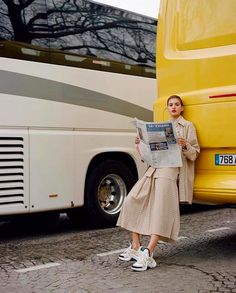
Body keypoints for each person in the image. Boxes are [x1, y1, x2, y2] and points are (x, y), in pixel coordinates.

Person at [117, 95, 200, 272]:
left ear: (182, 108)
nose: (174, 107)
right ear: (167, 108)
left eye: (177, 104)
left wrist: (185, 145)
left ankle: (149, 253)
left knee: (161, 211)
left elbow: (194, 154)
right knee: (132, 200)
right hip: (154, 168)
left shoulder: (188, 126)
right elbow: (147, 155)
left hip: (170, 171)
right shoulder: (160, 127)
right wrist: (140, 144)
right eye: (170, 105)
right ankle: (136, 245)